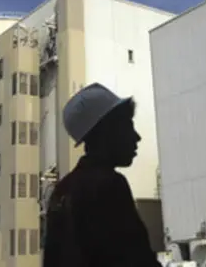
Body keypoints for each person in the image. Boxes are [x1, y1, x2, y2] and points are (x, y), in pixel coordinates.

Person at [42, 83, 160, 267]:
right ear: (107, 133)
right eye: (128, 126)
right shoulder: (109, 185)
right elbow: (138, 260)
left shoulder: (61, 190)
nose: (137, 137)